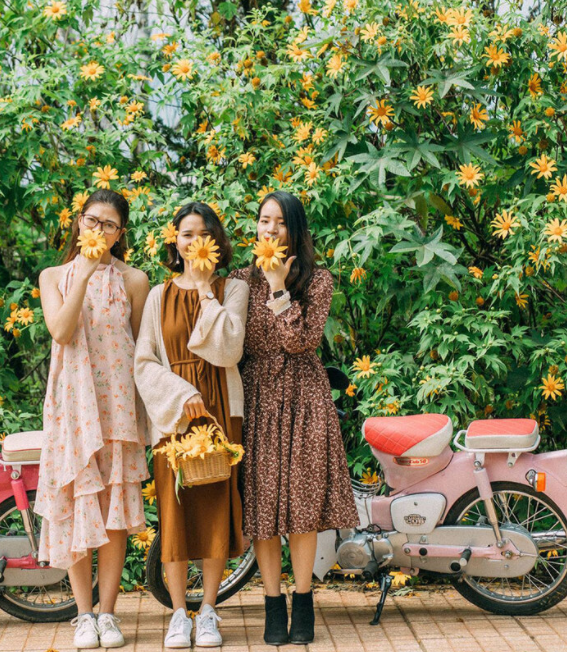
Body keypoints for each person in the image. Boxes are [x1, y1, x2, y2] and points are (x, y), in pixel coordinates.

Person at [229, 190, 359, 645]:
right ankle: (271, 604)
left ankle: (303, 601)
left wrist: (281, 287)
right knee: (263, 508)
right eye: (265, 220)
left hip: (304, 396)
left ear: (296, 229)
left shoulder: (317, 279)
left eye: (281, 222)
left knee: (302, 508)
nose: (270, 229)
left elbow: (301, 343)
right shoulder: (238, 281)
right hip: (257, 397)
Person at [35, 189, 151, 649]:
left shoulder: (135, 280)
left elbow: (142, 349)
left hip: (118, 407)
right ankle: (83, 615)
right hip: (72, 409)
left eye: (109, 225)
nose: (98, 231)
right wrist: (82, 272)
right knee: (76, 507)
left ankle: (108, 613)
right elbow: (61, 332)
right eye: (91, 221)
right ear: (78, 223)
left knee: (113, 514)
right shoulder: (54, 276)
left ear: (121, 233)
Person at [134, 201, 248, 648]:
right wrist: (182, 396)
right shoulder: (158, 296)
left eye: (203, 234)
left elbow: (229, 350)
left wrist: (204, 291)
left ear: (215, 241)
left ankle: (209, 611)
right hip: (175, 414)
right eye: (186, 234)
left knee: (217, 506)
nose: (194, 242)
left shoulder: (231, 288)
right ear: (175, 241)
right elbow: (143, 362)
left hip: (221, 408)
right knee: (174, 511)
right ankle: (179, 612)